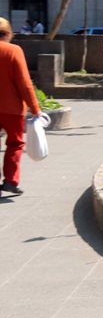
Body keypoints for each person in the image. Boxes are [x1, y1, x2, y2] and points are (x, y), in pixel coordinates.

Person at [0, 18, 42, 196]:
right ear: (8, 33)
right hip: (12, 108)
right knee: (15, 144)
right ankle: (10, 181)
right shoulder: (13, 50)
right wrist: (35, 108)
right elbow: (24, 83)